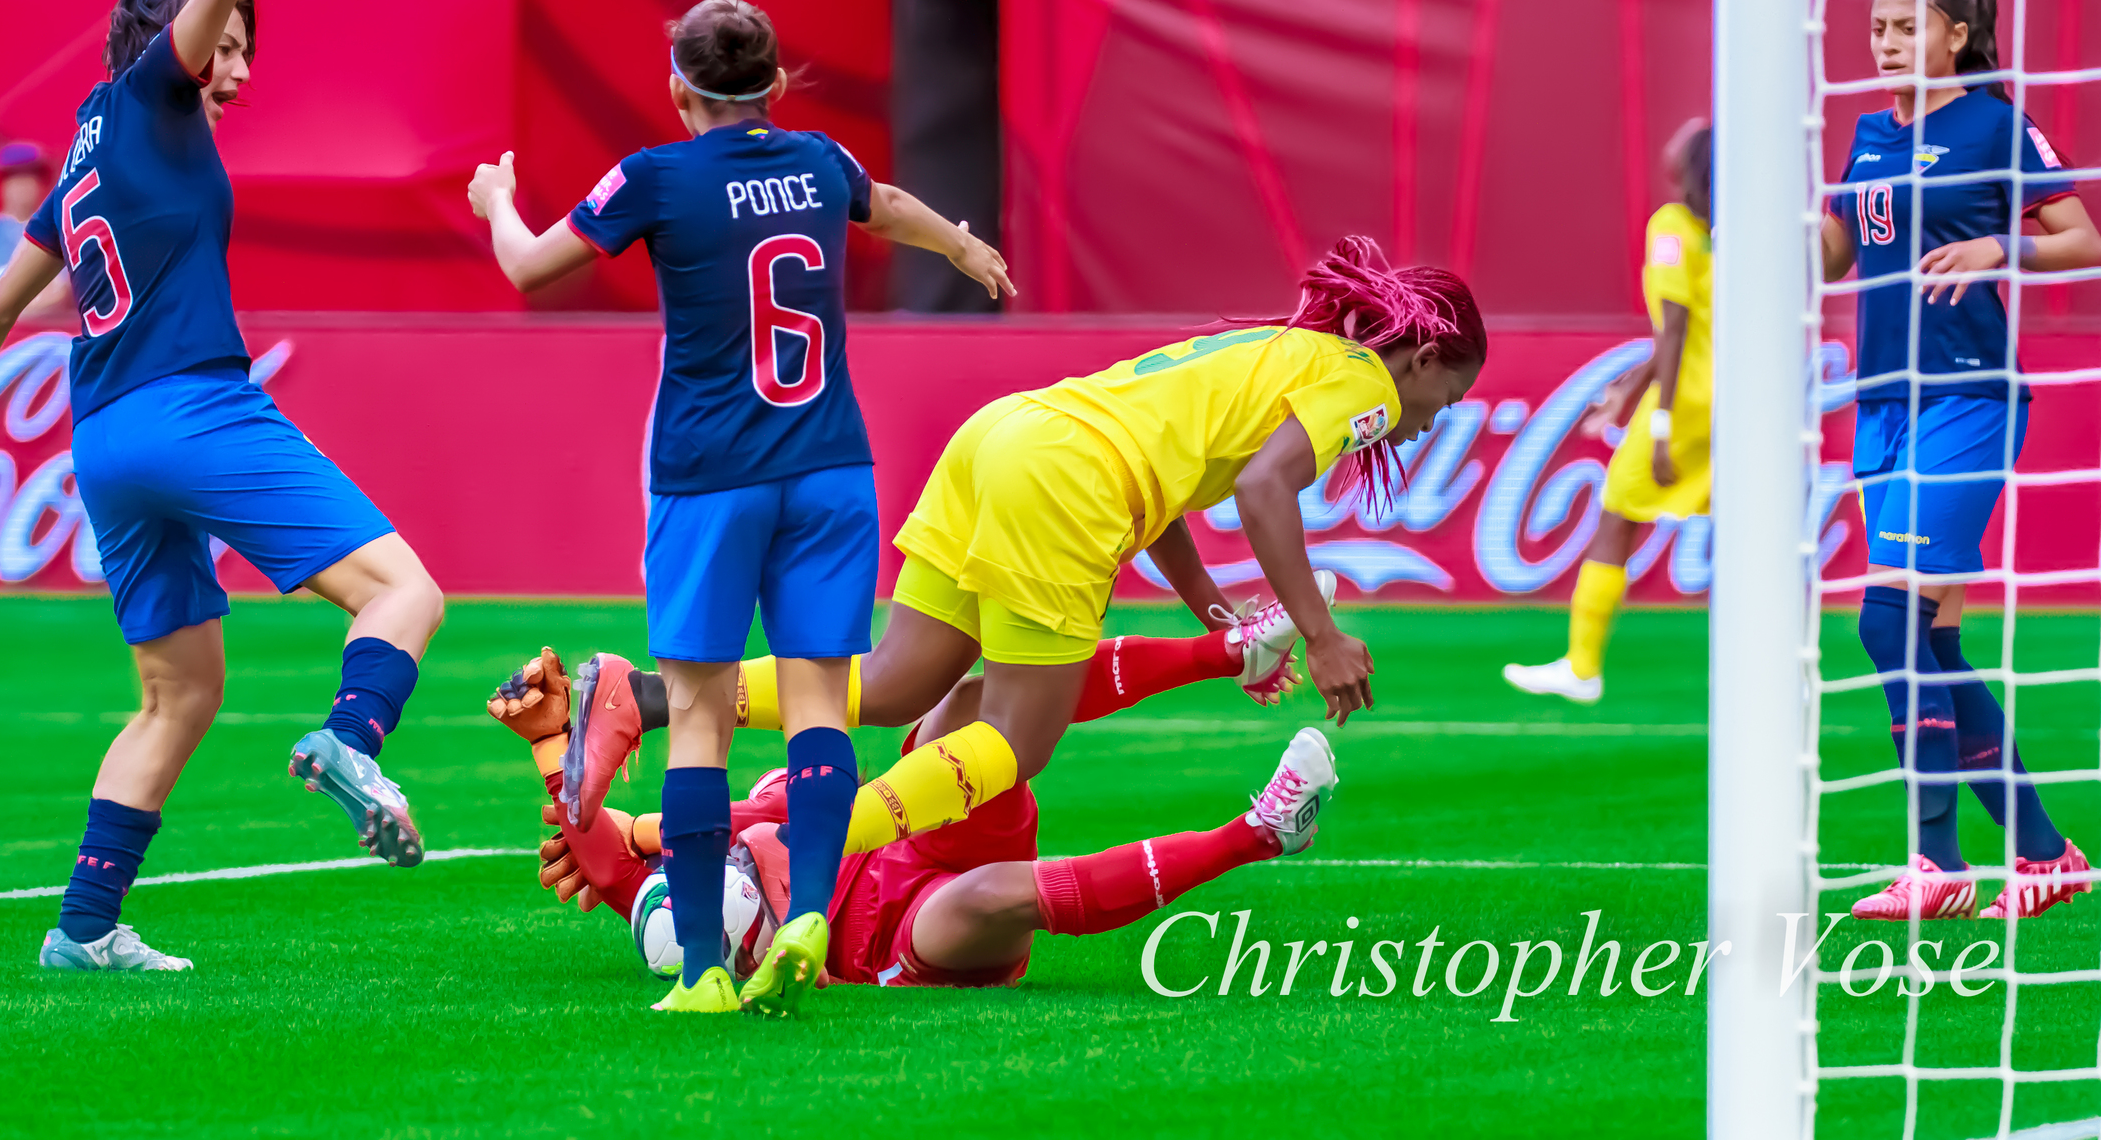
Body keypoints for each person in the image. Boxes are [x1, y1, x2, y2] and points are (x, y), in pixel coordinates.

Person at [552, 238, 1481, 1002]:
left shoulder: (1284, 350)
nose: (1431, 420)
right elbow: (1265, 486)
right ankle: (818, 854)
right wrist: (1321, 634)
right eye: (1448, 397)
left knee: (899, 683)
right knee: (1017, 741)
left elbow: (1168, 489)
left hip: (1004, 435)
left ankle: (640, 697)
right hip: (1068, 480)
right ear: (1427, 356)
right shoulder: (1362, 380)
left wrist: (1211, 610)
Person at [0, 0, 447, 973]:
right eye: (230, 48)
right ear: (173, 45)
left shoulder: (92, 144)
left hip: (104, 441)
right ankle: (354, 736)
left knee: (177, 692)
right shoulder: (154, 95)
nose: (240, 68)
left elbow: (4, 291)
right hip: (193, 409)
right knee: (406, 591)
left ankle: (83, 929)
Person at [466, 0, 1014, 1017]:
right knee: (818, 703)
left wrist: (497, 198)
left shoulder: (653, 175)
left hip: (707, 475)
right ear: (776, 85)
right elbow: (886, 200)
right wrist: (964, 249)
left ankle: (703, 969)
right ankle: (806, 909)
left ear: (679, 91)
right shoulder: (817, 160)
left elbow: (529, 264)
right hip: (829, 469)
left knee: (702, 722)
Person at [490, 648, 1337, 993]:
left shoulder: (681, 887)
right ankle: (1263, 832)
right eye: (748, 884)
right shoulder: (725, 905)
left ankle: (1232, 653)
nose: (736, 863)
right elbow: (772, 820)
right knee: (991, 897)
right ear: (753, 937)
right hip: (901, 936)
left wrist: (549, 738)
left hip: (906, 832)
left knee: (966, 705)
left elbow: (595, 848)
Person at [1820, 0, 2100, 922]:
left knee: (1883, 622)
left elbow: (2082, 236)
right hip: (1882, 401)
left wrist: (1999, 246)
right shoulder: (1865, 133)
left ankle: (1937, 864)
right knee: (1930, 638)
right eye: (1877, 27)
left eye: (1905, 26)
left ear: (1955, 35)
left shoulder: (1992, 122)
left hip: (1967, 396)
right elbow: (1834, 250)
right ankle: (2047, 855)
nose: (1885, 42)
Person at [1504, 121, 1710, 704]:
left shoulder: (1671, 227)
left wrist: (1663, 421)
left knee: (1618, 515)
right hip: (1746, 405)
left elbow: (1673, 328)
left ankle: (1582, 664)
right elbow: (1686, 333)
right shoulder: (1735, 232)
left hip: (1689, 407)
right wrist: (1628, 387)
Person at [0, 143, 76, 322]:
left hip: (40, 334)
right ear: (3, 184)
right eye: (16, 179)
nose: (23, 187)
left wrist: (7, 314)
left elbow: (60, 293)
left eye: (30, 179)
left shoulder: (56, 230)